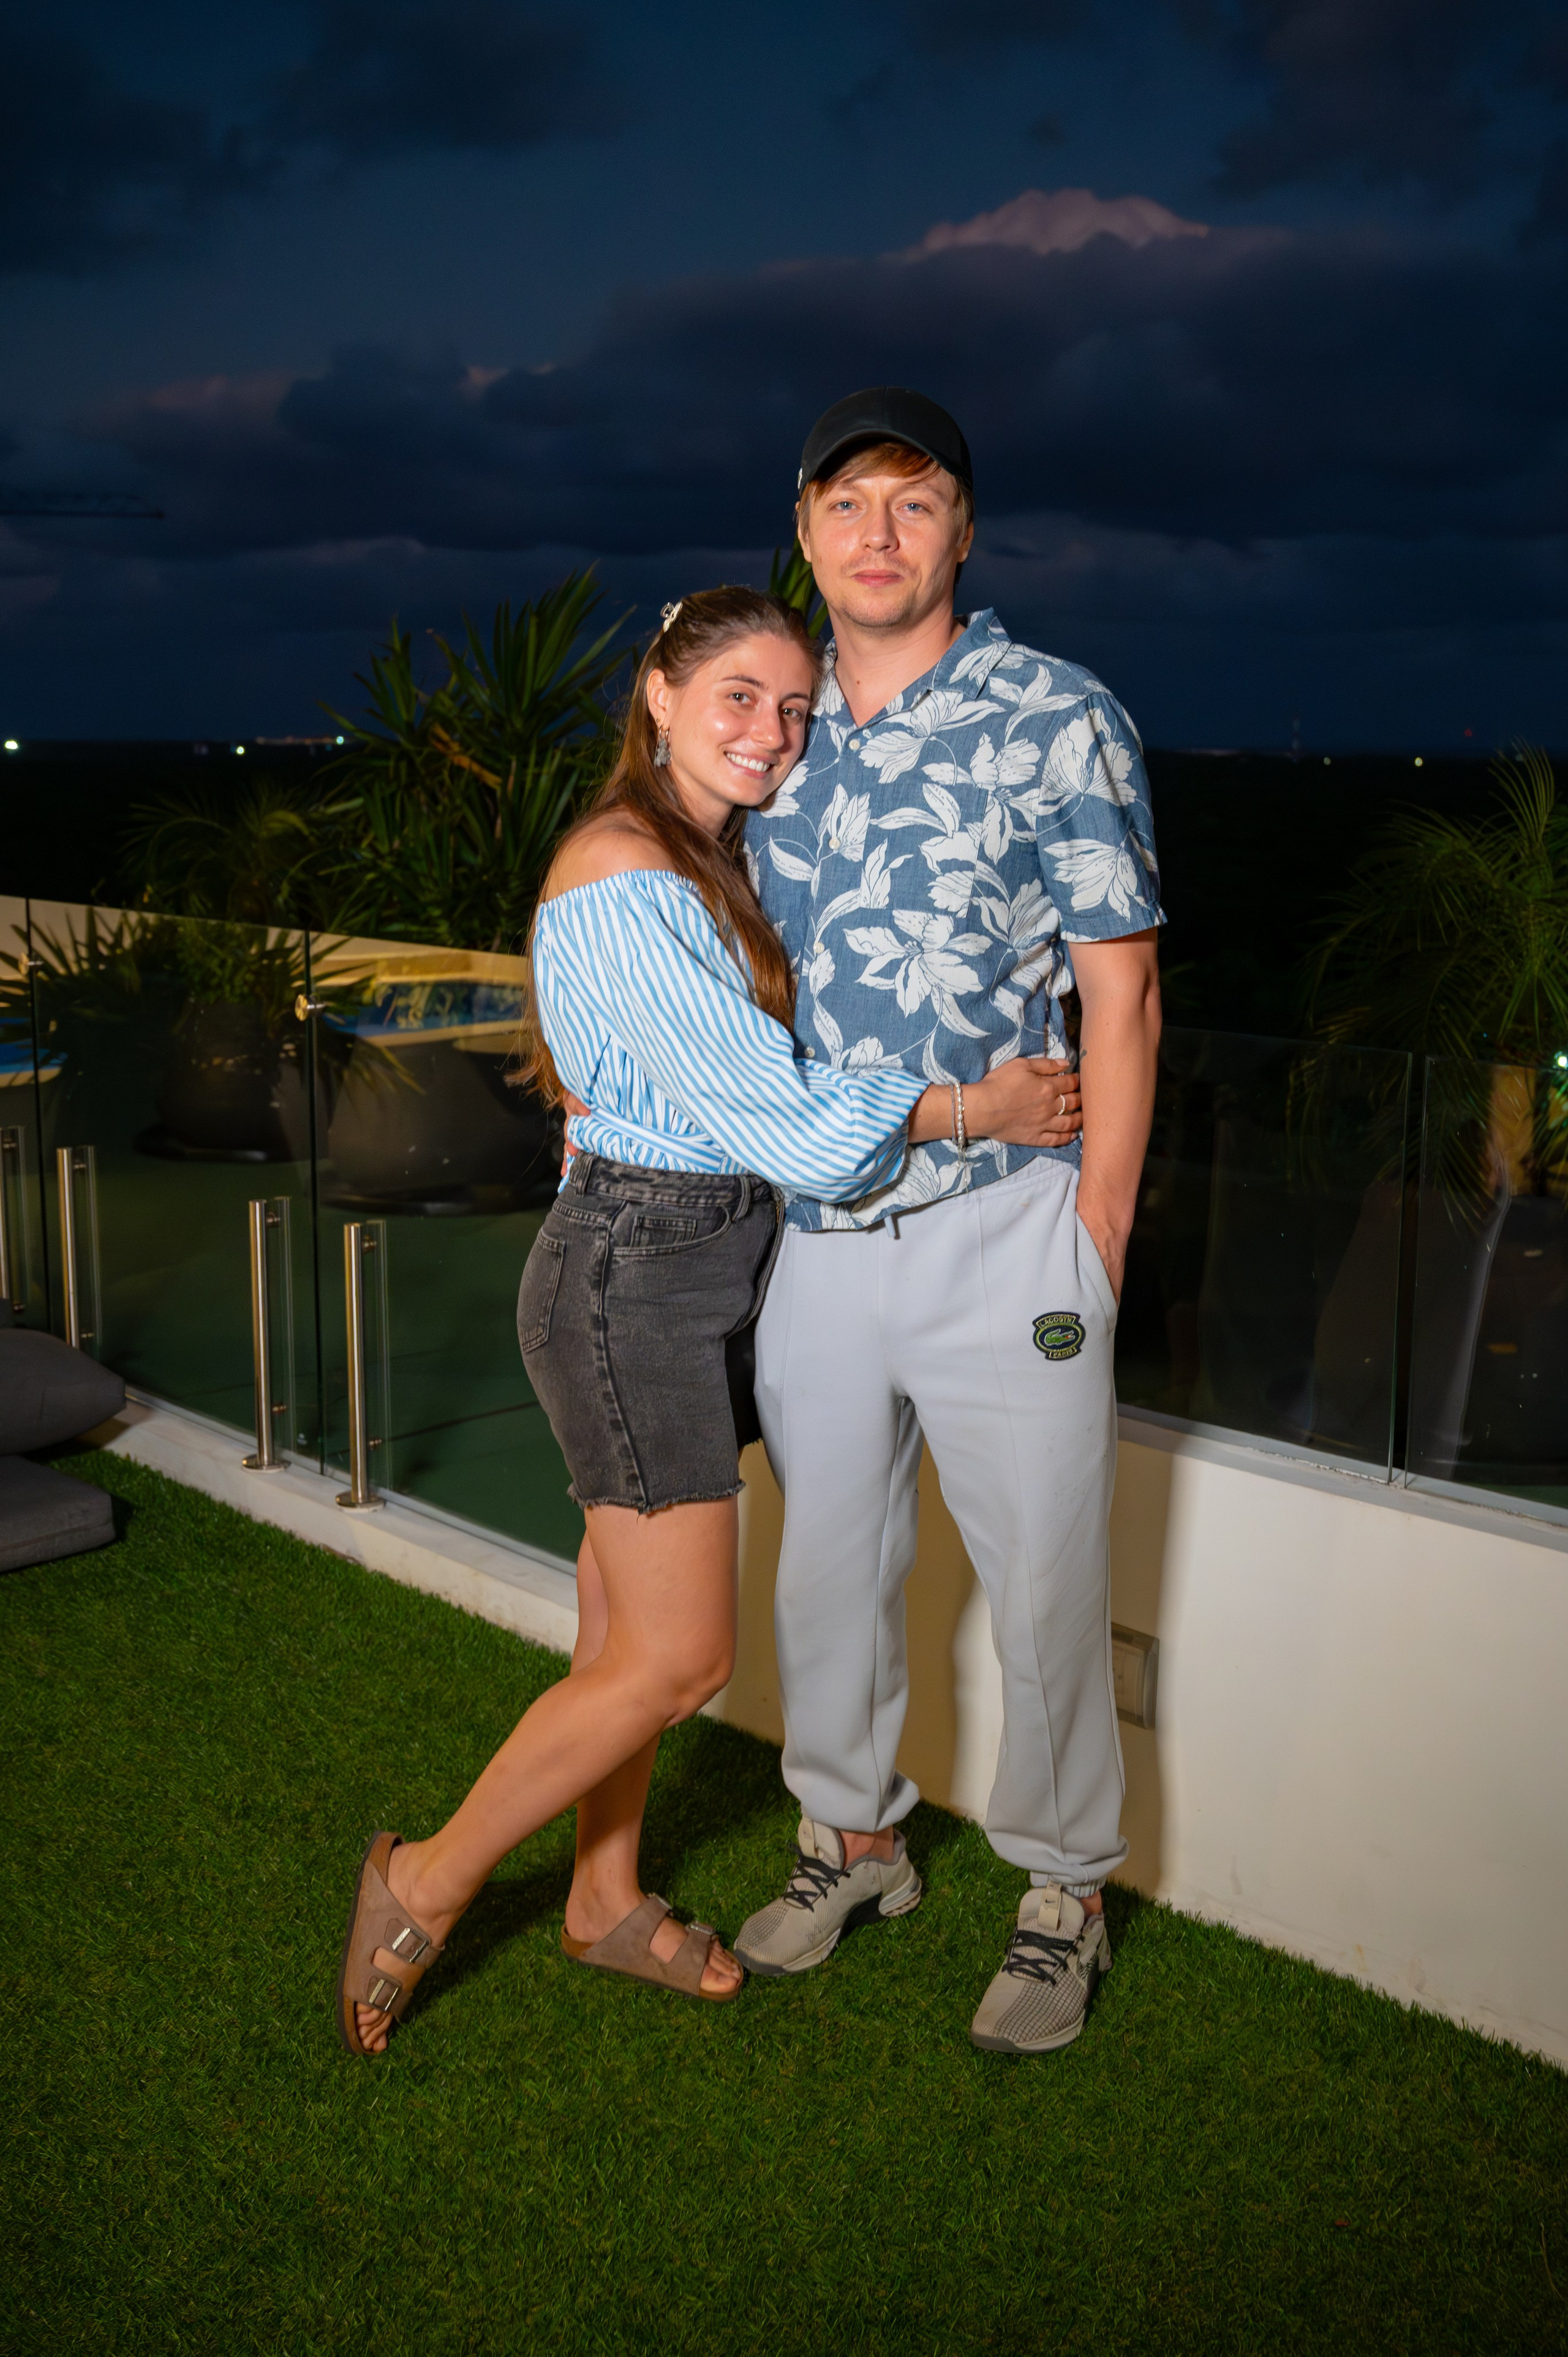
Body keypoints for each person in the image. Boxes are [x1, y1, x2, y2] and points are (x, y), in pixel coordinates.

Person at [335, 585, 1084, 2054]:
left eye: (796, 709)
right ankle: (419, 1880)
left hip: (690, 1259)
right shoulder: (623, 874)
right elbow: (783, 1120)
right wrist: (971, 1106)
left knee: (616, 1626)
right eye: (739, 695)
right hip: (639, 1275)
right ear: (659, 697)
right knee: (678, 1661)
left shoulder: (700, 856)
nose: (773, 732)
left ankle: (601, 1896)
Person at [734, 389, 1164, 2056]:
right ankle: (851, 1840)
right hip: (820, 1241)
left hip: (1010, 1230)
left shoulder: (1058, 715)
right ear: (804, 528)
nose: (878, 537)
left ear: (962, 531)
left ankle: (1063, 1894)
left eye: (913, 505)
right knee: (825, 1575)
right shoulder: (769, 727)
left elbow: (1122, 997)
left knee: (1048, 1588)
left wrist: (1097, 1235)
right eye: (847, 507)